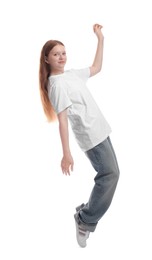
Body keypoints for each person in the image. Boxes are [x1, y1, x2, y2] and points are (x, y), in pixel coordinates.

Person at [39, 24, 120, 248]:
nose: (61, 57)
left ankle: (85, 212)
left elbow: (96, 67)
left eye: (63, 53)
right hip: (90, 136)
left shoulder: (72, 74)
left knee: (111, 174)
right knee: (110, 175)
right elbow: (62, 122)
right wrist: (66, 153)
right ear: (46, 59)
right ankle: (85, 220)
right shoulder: (55, 85)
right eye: (56, 54)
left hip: (101, 129)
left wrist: (100, 39)